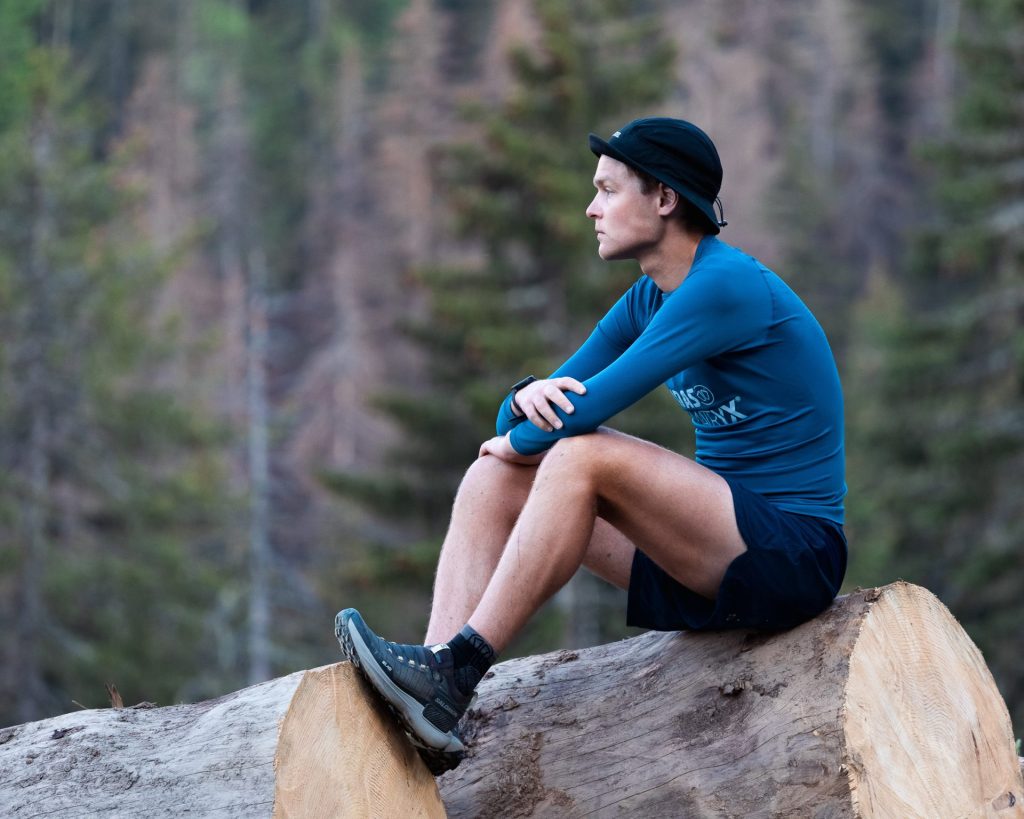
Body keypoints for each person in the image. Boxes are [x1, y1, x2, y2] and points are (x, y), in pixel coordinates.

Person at [336, 117, 847, 774]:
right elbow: (526, 417)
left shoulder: (725, 287)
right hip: (709, 558)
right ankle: (431, 695)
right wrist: (523, 401)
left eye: (607, 190)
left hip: (792, 557)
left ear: (664, 198)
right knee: (492, 476)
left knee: (581, 456)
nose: (592, 207)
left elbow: (588, 410)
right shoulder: (645, 301)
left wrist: (528, 426)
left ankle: (458, 669)